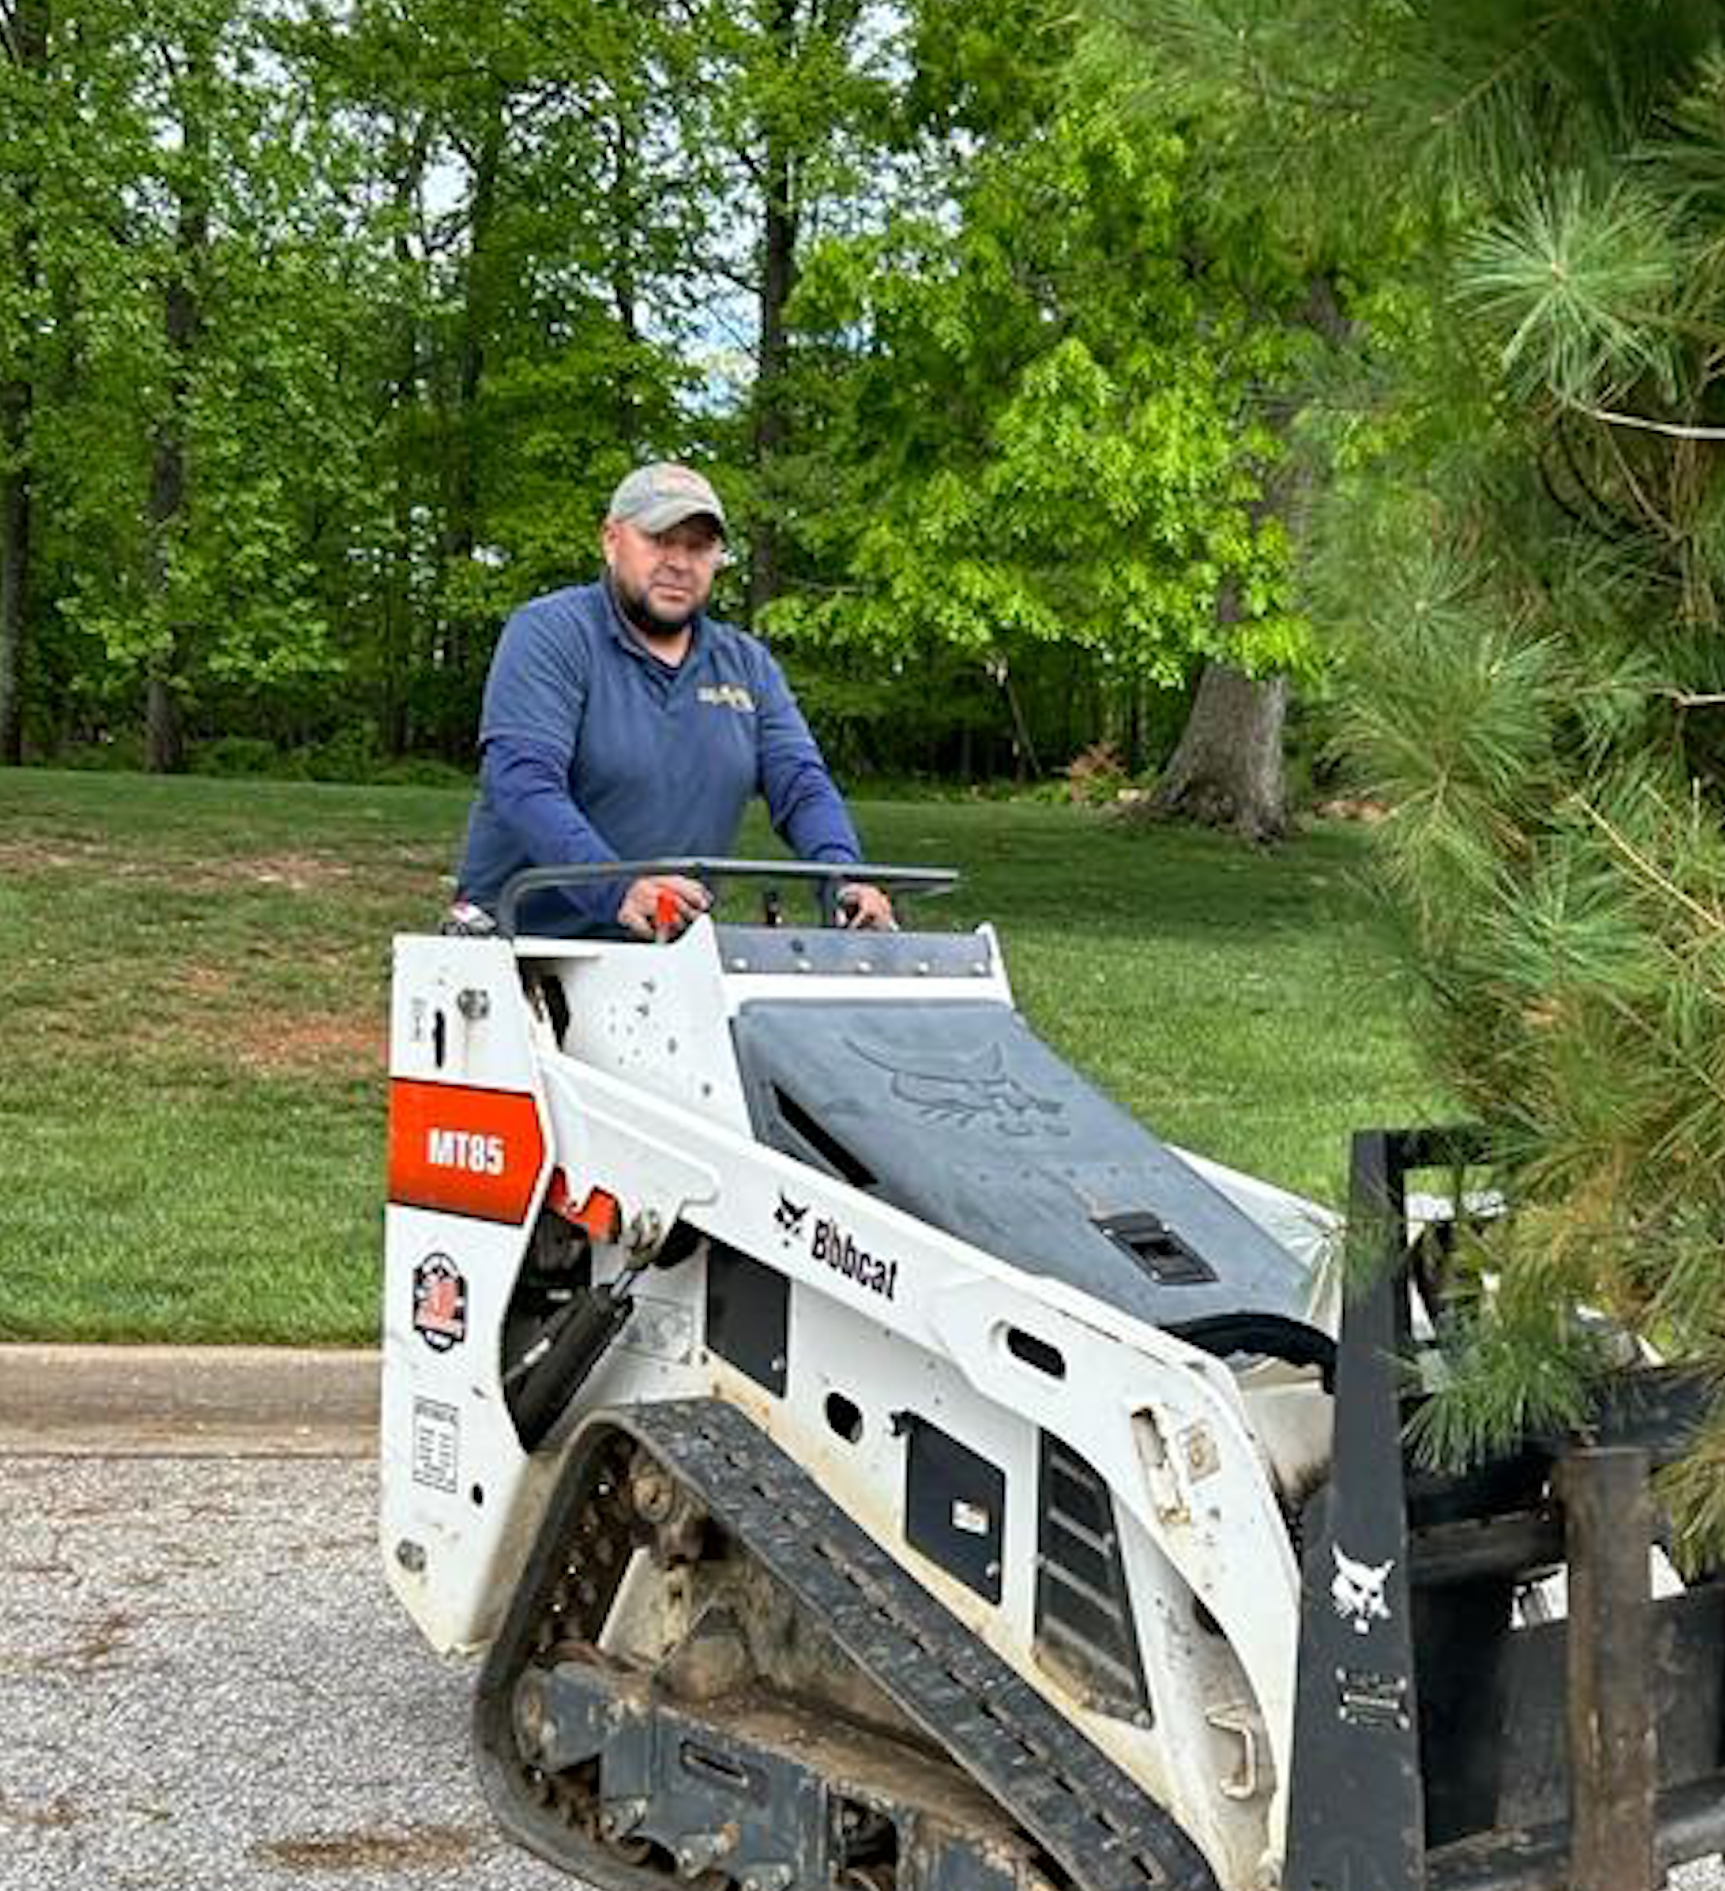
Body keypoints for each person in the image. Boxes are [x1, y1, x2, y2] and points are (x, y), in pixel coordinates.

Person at [451, 461, 895, 939]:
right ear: (611, 539)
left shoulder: (746, 663)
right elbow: (522, 782)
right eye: (660, 539)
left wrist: (844, 877)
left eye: (699, 546)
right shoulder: (551, 633)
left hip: (668, 952)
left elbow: (802, 786)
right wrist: (618, 890)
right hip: (520, 948)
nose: (680, 563)